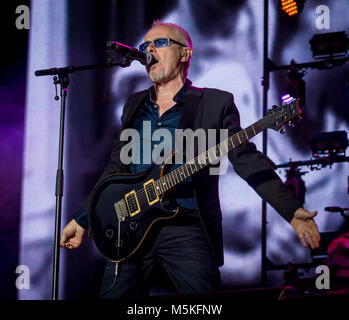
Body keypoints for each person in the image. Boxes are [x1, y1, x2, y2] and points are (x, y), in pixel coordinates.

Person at [60, 21, 320, 299]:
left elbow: (246, 159)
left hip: (185, 228)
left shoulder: (213, 103)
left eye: (159, 43)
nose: (148, 49)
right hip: (130, 229)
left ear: (184, 54)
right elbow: (116, 169)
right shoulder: (134, 104)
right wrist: (83, 217)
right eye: (144, 45)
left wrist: (290, 209)